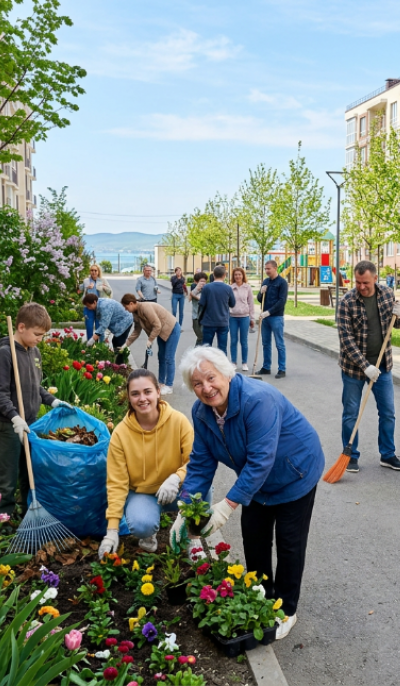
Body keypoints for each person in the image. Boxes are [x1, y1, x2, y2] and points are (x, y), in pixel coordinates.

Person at [172, 346, 324, 641]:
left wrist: (227, 505)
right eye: (197, 384)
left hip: (295, 472)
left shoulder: (257, 400)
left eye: (211, 378)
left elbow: (261, 460)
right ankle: (262, 594)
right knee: (254, 538)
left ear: (226, 373)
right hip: (256, 481)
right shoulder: (202, 413)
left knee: (290, 544)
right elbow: (202, 463)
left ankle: (287, 610)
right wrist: (186, 508)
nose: (206, 388)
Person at [98, 368, 193, 558]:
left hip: (177, 488)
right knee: (141, 524)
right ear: (129, 397)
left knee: (203, 490)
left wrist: (176, 477)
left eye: (147, 391)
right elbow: (117, 483)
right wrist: (112, 530)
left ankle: (193, 539)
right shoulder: (121, 434)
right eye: (135, 394)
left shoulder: (179, 422)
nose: (142, 398)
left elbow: (195, 462)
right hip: (144, 494)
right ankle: (148, 535)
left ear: (158, 392)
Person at [0, 303, 71, 519]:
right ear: (21, 327)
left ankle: (29, 514)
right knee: (7, 474)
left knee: (29, 472)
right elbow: (0, 395)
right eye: (37, 334)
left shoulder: (34, 351)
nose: (40, 339)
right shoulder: (5, 353)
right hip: (9, 425)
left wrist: (52, 401)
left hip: (31, 422)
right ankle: (3, 517)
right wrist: (14, 417)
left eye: (42, 335)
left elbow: (35, 386)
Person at [336, 260, 400, 473]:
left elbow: (398, 324)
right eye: (357, 282)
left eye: (365, 282)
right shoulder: (347, 301)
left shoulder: (387, 294)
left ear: (375, 278)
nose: (361, 286)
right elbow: (346, 339)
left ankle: (388, 454)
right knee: (351, 412)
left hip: (383, 364)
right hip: (354, 368)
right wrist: (365, 366)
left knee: (387, 412)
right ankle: (351, 456)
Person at [121, 294, 181, 395]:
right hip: (161, 332)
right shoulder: (136, 313)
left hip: (171, 329)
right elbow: (136, 331)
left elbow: (157, 325)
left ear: (131, 303)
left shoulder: (145, 307)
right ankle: (161, 383)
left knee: (168, 358)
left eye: (126, 307)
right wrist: (125, 344)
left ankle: (169, 386)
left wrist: (150, 340)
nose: (126, 310)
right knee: (161, 357)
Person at [256, 260, 289, 379]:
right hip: (265, 318)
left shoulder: (282, 283)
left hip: (276, 317)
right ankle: (266, 367)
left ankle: (282, 369)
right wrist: (261, 292)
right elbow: (260, 299)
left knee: (279, 344)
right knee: (266, 343)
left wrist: (268, 312)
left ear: (275, 268)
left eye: (268, 268)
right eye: (265, 269)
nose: (266, 271)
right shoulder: (265, 282)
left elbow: (282, 301)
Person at [82, 293, 134, 365]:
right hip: (120, 321)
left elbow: (104, 325)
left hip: (125, 321)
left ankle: (120, 364)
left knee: (118, 342)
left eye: (89, 306)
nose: (88, 308)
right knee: (116, 341)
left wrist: (92, 339)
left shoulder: (104, 306)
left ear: (94, 302)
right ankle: (119, 361)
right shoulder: (98, 304)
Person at [199, 265, 235, 350]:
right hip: (223, 322)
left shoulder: (207, 287)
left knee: (206, 348)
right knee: (222, 348)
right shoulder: (228, 288)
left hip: (208, 321)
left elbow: (202, 303)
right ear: (224, 275)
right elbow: (232, 304)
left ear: (213, 275)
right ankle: (221, 363)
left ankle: (206, 363)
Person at [229, 267, 255, 371]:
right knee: (233, 340)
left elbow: (251, 303)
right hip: (233, 317)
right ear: (233, 276)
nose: (238, 276)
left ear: (243, 275)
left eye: (239, 274)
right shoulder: (230, 288)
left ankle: (244, 362)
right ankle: (234, 362)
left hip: (245, 317)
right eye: (236, 275)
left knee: (244, 341)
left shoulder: (247, 287)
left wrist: (252, 318)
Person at [79, 264, 112, 341]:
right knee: (89, 327)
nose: (93, 272)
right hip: (88, 307)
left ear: (98, 271)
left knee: (99, 328)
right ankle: (90, 346)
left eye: (95, 270)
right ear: (90, 271)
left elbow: (109, 292)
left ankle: (101, 347)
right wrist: (87, 288)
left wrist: (104, 287)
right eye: (92, 270)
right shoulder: (86, 281)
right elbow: (80, 289)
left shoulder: (103, 280)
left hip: (99, 308)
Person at [189, 272, 208, 346]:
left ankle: (198, 353)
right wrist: (197, 289)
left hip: (205, 317)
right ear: (196, 282)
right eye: (201, 281)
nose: (203, 283)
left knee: (202, 337)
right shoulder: (194, 288)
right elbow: (189, 298)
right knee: (200, 337)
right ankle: (197, 353)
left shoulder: (207, 289)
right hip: (196, 317)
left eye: (204, 281)